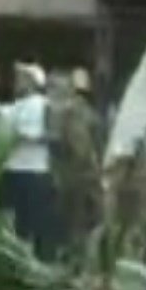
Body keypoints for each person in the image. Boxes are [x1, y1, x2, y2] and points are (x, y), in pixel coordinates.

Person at [0, 62, 63, 259]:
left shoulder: (45, 106)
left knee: (39, 223)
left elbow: (55, 137)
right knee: (17, 224)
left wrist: (26, 138)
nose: (17, 82)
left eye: (22, 78)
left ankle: (44, 261)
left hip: (36, 171)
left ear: (33, 82)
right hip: (13, 170)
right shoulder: (10, 108)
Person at [49, 67, 102, 246]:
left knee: (73, 219)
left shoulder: (66, 111)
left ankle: (73, 255)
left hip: (71, 173)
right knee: (81, 219)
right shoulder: (84, 112)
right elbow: (84, 146)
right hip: (81, 173)